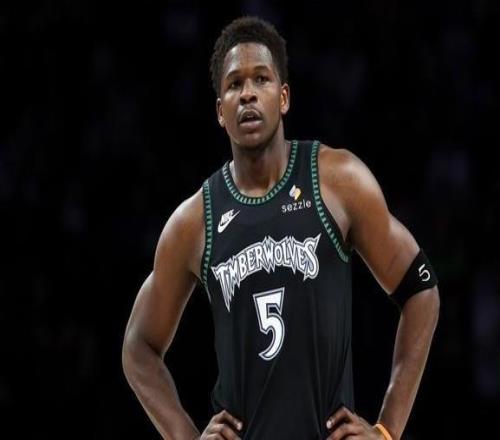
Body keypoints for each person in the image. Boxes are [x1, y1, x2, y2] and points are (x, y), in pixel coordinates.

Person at [122, 16, 440, 440]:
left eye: (261, 79)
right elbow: (138, 347)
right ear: (220, 111)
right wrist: (184, 434)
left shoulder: (337, 180)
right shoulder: (194, 221)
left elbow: (421, 288)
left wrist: (386, 430)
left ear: (284, 97)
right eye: (234, 84)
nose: (247, 93)